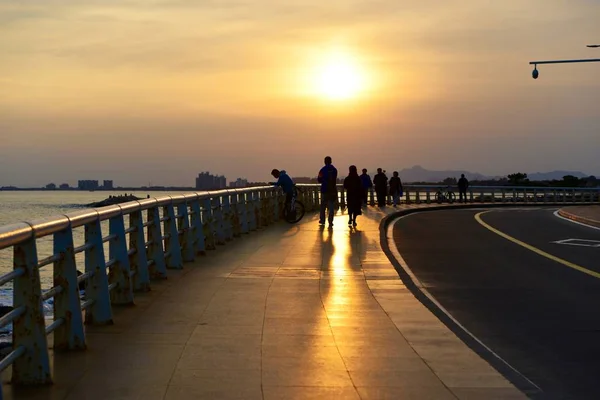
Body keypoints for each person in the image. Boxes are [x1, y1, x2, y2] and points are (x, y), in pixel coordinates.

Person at [317, 156, 338, 227]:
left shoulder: (322, 170)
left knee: (323, 206)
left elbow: (319, 180)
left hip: (324, 190)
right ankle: (330, 221)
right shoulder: (334, 170)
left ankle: (322, 220)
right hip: (332, 190)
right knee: (331, 206)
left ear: (325, 161)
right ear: (331, 161)